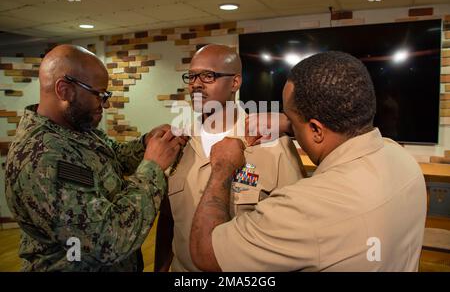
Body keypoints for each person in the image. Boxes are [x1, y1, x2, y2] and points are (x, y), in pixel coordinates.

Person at [190, 51, 427, 271]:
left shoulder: (305, 207)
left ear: (316, 128)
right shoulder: (401, 158)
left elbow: (205, 252)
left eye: (291, 117)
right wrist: (292, 123)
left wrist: (222, 169)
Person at [5, 44, 186, 271]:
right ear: (64, 90)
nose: (105, 104)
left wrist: (146, 144)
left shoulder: (76, 130)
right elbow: (109, 241)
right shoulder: (43, 157)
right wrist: (153, 166)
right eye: (99, 95)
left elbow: (112, 158)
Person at [154, 44, 306, 272]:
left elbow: (297, 229)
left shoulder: (272, 143)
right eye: (192, 76)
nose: (196, 84)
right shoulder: (177, 143)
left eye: (208, 75)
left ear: (235, 82)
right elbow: (168, 219)